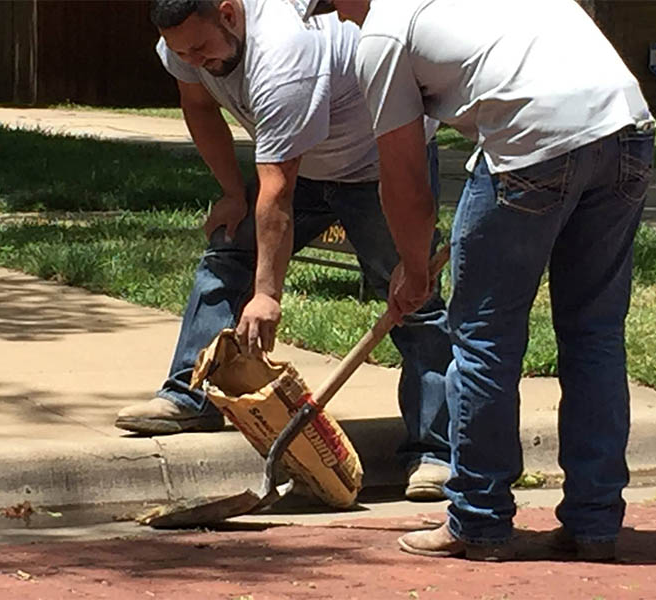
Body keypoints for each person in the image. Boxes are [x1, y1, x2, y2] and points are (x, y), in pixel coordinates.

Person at [300, 0, 656, 560]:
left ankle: (478, 519)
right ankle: (595, 523)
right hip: (627, 127)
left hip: (531, 139)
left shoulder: (383, 35)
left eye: (336, 8)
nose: (342, 21)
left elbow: (403, 176)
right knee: (595, 335)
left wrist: (413, 269)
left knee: (484, 336)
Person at [115, 0, 453, 500]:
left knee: (413, 295)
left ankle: (436, 452)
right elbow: (199, 106)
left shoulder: (283, 55)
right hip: (305, 161)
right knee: (229, 252)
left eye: (202, 47)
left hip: (377, 164)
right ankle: (191, 394)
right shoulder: (185, 48)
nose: (196, 60)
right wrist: (232, 193)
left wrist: (267, 295)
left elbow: (278, 189)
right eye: (182, 52)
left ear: (229, 14)